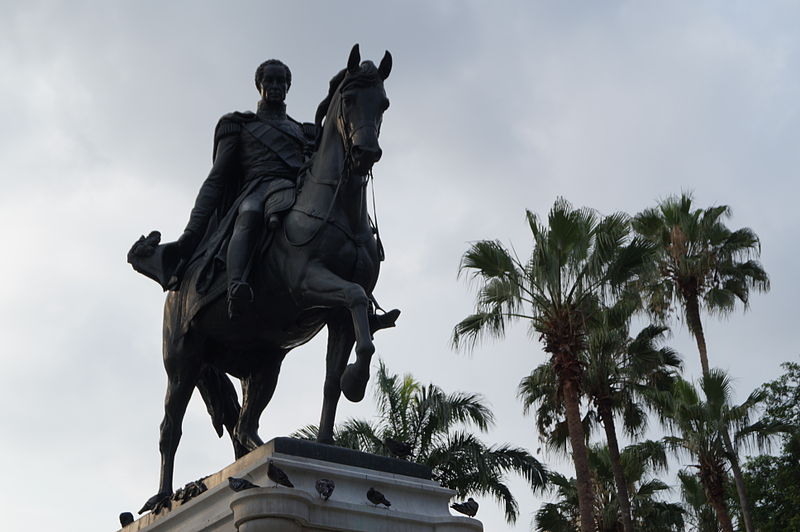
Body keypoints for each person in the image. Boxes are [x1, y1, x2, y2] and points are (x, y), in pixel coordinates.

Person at [172, 59, 315, 319]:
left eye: (280, 81)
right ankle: (236, 284)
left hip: (295, 190)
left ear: (288, 87)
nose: (275, 86)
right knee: (249, 212)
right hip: (255, 189)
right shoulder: (240, 125)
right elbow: (217, 178)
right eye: (269, 81)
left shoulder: (302, 131)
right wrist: (191, 233)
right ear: (259, 85)